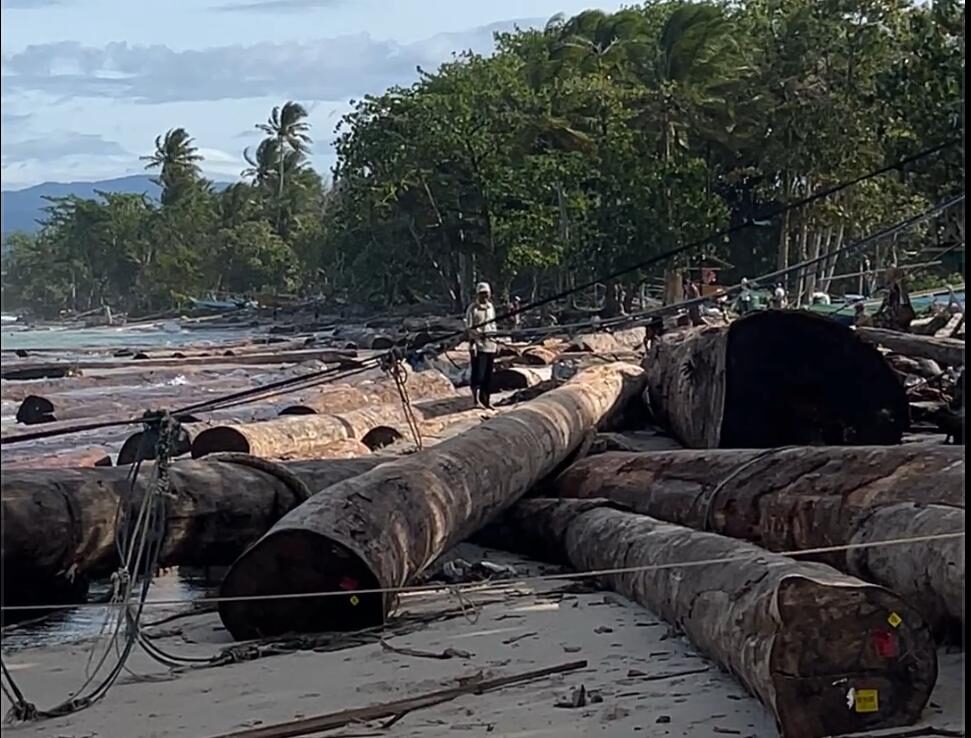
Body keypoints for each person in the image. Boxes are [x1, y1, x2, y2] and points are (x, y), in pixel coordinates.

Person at [466, 282, 498, 409]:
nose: (485, 296)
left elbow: (493, 325)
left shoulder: (491, 308)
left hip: (491, 344)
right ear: (478, 294)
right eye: (482, 294)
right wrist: (478, 336)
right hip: (478, 346)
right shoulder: (472, 309)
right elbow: (469, 328)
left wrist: (494, 338)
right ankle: (475, 400)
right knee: (478, 374)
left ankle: (486, 400)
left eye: (486, 294)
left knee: (488, 376)